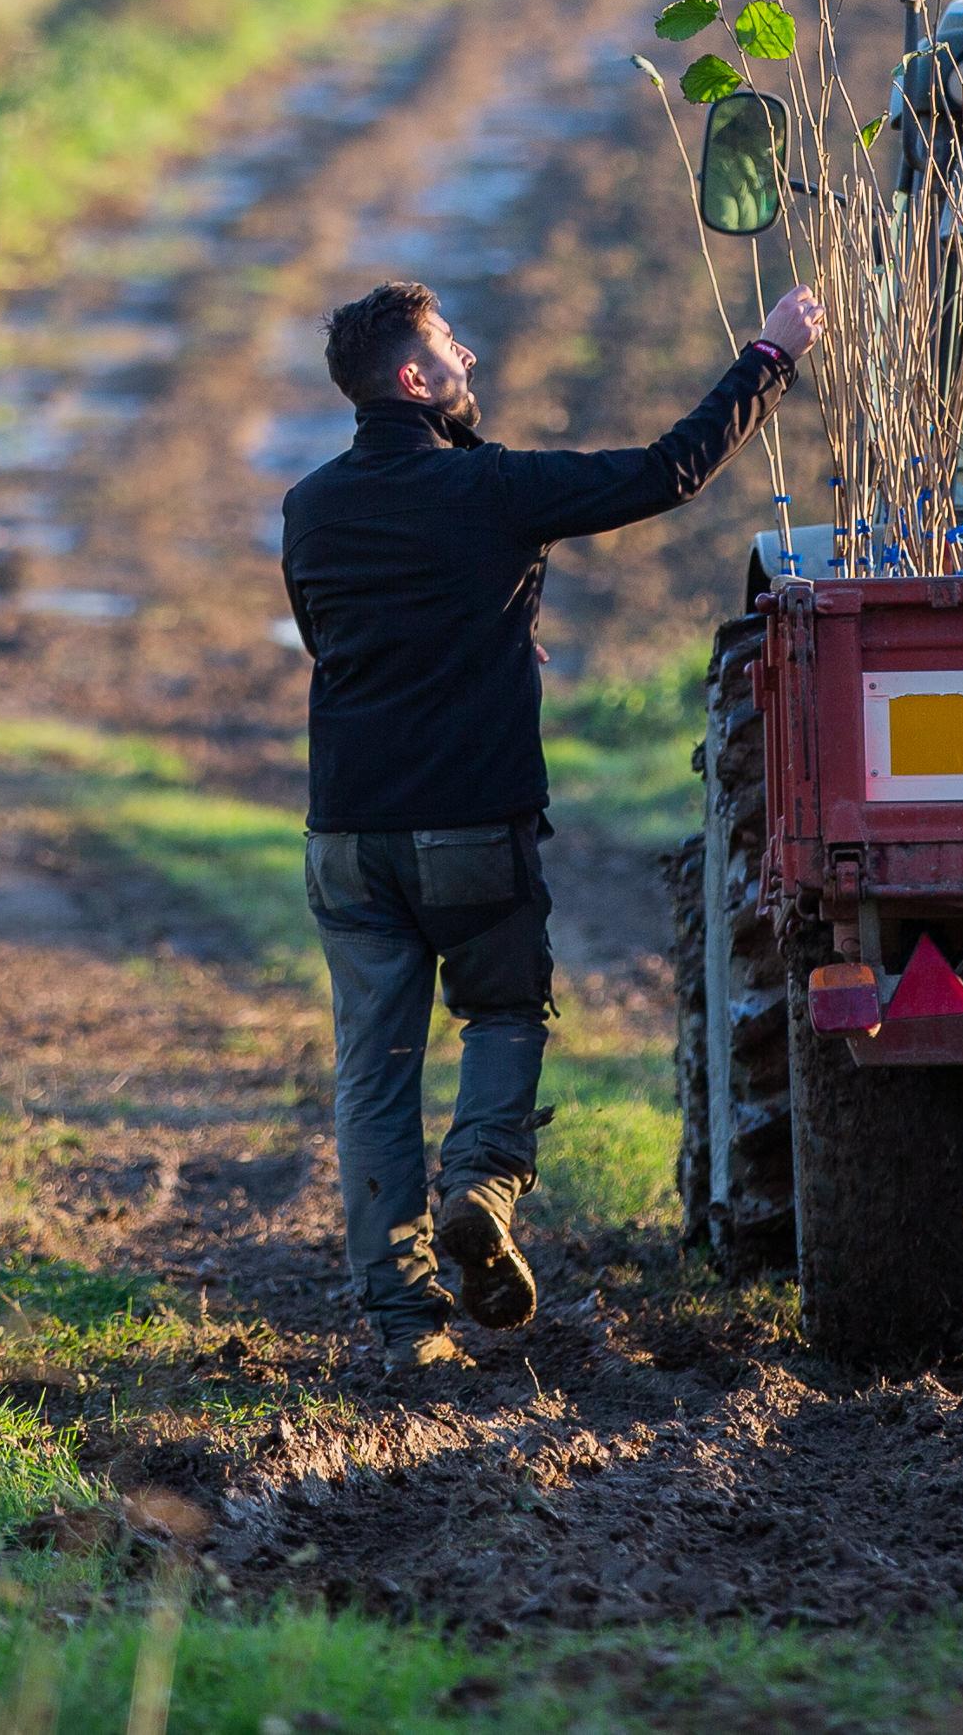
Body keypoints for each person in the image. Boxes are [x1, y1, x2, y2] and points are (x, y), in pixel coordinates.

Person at [281, 272, 826, 1364]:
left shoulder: (308, 505)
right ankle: (480, 1186)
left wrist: (489, 631)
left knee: (373, 1067)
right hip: (468, 822)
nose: (467, 360)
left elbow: (328, 637)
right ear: (411, 376)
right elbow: (666, 471)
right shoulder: (493, 496)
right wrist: (766, 359)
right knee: (503, 1018)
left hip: (345, 833)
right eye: (449, 347)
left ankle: (399, 1324)